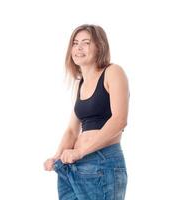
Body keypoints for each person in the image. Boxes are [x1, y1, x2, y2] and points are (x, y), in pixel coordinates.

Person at [44, 24, 130, 200]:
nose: (79, 48)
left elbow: (119, 120)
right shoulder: (80, 83)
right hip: (74, 166)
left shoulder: (113, 72)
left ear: (100, 46)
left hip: (102, 164)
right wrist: (57, 156)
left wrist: (80, 151)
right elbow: (71, 130)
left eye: (86, 42)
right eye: (75, 43)